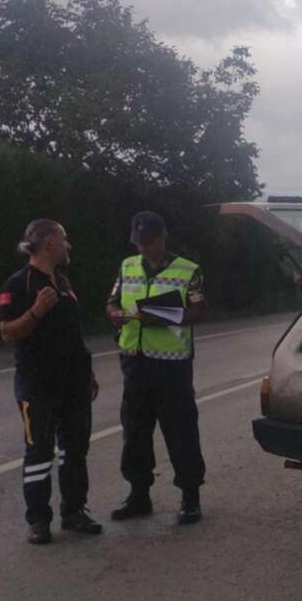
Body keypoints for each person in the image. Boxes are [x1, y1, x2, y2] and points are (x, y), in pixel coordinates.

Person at [0, 219, 103, 544]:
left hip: (73, 384)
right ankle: (39, 521)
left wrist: (88, 374)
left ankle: (74, 512)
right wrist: (36, 311)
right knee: (39, 452)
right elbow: (7, 333)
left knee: (75, 451)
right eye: (65, 239)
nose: (69, 246)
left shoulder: (65, 283)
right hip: (38, 385)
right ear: (49, 244)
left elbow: (72, 334)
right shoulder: (18, 284)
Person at [105, 211, 207, 524]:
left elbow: (198, 311)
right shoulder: (127, 266)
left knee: (181, 431)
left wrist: (160, 317)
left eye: (148, 243)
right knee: (135, 431)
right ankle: (139, 496)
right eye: (138, 243)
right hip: (135, 362)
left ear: (162, 237)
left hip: (172, 366)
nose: (143, 249)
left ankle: (190, 498)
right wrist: (114, 313)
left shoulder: (188, 271)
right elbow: (112, 300)